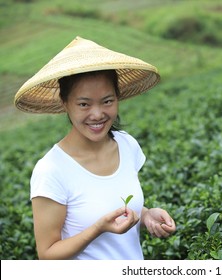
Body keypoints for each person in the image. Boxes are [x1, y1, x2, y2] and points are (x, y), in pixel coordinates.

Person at [14, 36, 176, 260]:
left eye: (107, 101)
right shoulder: (51, 170)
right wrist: (97, 228)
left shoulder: (127, 144)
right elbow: (47, 254)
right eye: (84, 104)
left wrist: (146, 215)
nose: (98, 114)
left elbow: (109, 202)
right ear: (65, 103)